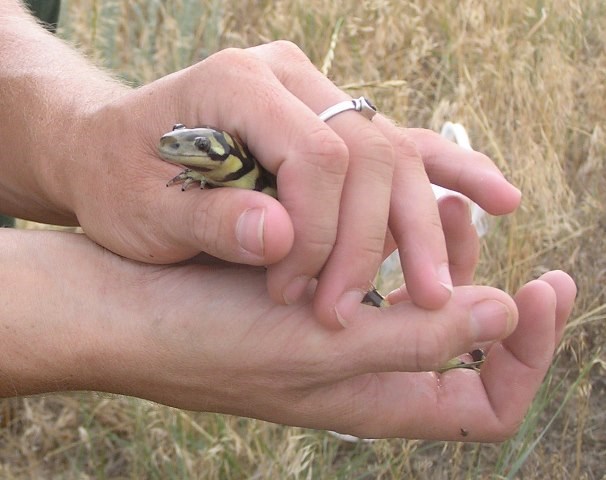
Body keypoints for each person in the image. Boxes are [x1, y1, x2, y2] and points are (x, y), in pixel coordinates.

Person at [0, 0, 576, 441]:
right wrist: (100, 315)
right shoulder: (214, 169)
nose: (175, 149)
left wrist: (78, 135)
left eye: (192, 144)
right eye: (177, 145)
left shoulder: (234, 170)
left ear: (223, 151)